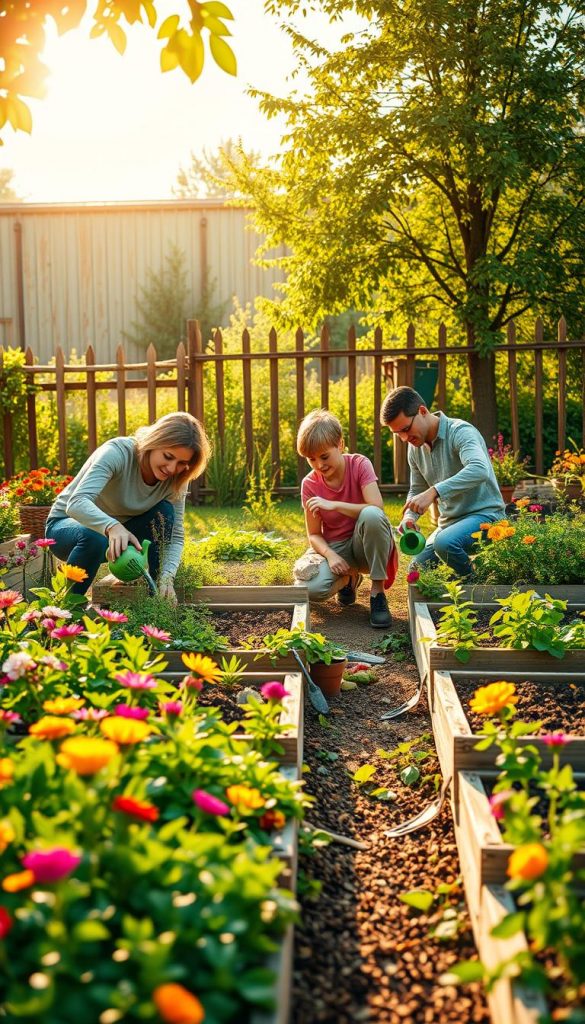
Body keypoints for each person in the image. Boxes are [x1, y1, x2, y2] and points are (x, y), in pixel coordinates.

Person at [45, 411, 211, 603]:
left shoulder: (178, 478)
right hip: (67, 528)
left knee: (164, 513)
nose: (172, 468)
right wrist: (112, 527)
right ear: (154, 441)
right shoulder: (117, 453)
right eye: (168, 456)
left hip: (120, 536)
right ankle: (65, 610)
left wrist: (167, 577)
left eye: (182, 463)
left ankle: (156, 597)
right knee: (94, 537)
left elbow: (175, 535)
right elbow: (76, 503)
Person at [380, 386, 505, 577]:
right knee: (416, 571)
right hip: (449, 525)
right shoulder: (415, 447)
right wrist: (409, 518)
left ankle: (476, 582)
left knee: (445, 543)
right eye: (398, 434)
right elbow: (417, 489)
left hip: (486, 517)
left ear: (422, 411)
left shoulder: (460, 432)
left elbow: (480, 469)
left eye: (406, 429)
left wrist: (434, 491)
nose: (405, 438)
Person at [296, 409, 393, 629]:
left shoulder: (359, 465)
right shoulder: (310, 484)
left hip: (367, 544)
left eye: (324, 456)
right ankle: (348, 579)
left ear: (340, 445)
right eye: (311, 459)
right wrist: (330, 556)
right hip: (337, 548)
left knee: (371, 514)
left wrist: (335, 505)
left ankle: (377, 592)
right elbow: (313, 535)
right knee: (309, 588)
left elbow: (377, 508)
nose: (319, 465)